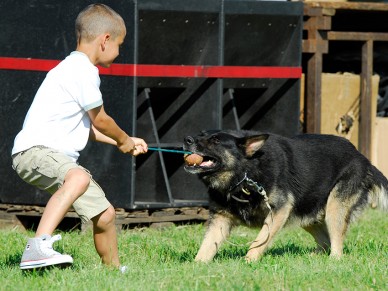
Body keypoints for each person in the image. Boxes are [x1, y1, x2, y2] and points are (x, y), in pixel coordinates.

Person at [11, 4, 148, 271]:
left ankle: (114, 272)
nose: (120, 52)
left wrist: (125, 141)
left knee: (105, 214)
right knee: (79, 177)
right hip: (36, 152)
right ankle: (38, 246)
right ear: (105, 40)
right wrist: (122, 140)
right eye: (120, 44)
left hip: (49, 156)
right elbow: (102, 119)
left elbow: (90, 128)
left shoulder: (72, 69)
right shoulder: (82, 70)